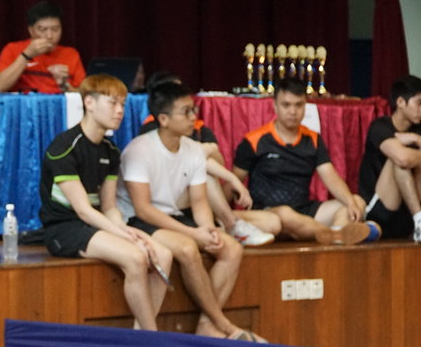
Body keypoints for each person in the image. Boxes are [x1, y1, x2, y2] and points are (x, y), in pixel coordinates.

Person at [116, 82, 262, 342]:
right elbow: (143, 209)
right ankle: (225, 325)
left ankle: (207, 326)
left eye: (193, 109)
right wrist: (193, 234)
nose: (194, 117)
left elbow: (199, 201)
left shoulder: (193, 149)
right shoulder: (139, 150)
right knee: (186, 248)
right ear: (163, 119)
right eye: (186, 111)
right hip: (138, 220)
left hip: (174, 216)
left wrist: (207, 229)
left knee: (231, 248)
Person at [40, 73, 174, 331]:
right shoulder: (65, 147)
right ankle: (152, 337)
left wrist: (129, 231)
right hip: (65, 227)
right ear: (89, 103)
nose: (120, 110)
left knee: (163, 254)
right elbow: (83, 210)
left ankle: (141, 333)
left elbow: (110, 207)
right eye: (113, 103)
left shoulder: (111, 151)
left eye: (123, 104)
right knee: (136, 257)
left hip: (96, 223)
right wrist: (128, 238)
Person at [232, 78, 378, 245]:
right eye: (286, 105)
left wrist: (351, 203)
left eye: (298, 105)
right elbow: (233, 183)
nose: (293, 111)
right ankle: (335, 234)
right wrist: (218, 214)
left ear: (305, 106)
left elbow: (330, 177)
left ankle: (336, 240)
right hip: (269, 213)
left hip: (304, 211)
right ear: (275, 106)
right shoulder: (255, 140)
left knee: (356, 201)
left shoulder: (313, 139)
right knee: (286, 214)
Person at [138, 71, 277, 246]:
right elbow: (199, 163)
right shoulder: (151, 131)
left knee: (273, 224)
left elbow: (218, 162)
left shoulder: (200, 129)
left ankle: (222, 226)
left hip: (204, 202)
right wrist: (228, 174)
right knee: (205, 174)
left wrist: (207, 153)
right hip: (172, 201)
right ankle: (230, 224)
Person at [358, 74, 421, 242]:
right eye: (419, 103)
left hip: (406, 215)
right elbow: (403, 159)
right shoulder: (380, 126)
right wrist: (415, 142)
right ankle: (420, 220)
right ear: (400, 102)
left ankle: (418, 222)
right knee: (400, 161)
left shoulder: (418, 129)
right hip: (379, 210)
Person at [0, 0, 86, 94]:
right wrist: (26, 55)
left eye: (55, 29)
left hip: (58, 105)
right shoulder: (12, 49)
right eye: (43, 29)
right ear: (31, 30)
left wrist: (64, 85)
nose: (49, 35)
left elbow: (84, 96)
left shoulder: (71, 54)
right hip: (24, 106)